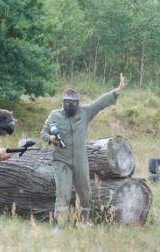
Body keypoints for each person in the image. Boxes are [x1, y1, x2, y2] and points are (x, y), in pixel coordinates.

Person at [40, 73, 126, 228]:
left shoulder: (84, 112)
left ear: (77, 103)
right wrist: (50, 139)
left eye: (73, 103)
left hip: (80, 160)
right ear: (63, 102)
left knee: (85, 194)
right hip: (61, 160)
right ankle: (59, 226)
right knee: (63, 194)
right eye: (67, 102)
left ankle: (83, 221)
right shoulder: (55, 115)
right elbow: (43, 133)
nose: (70, 105)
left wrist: (117, 90)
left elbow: (99, 103)